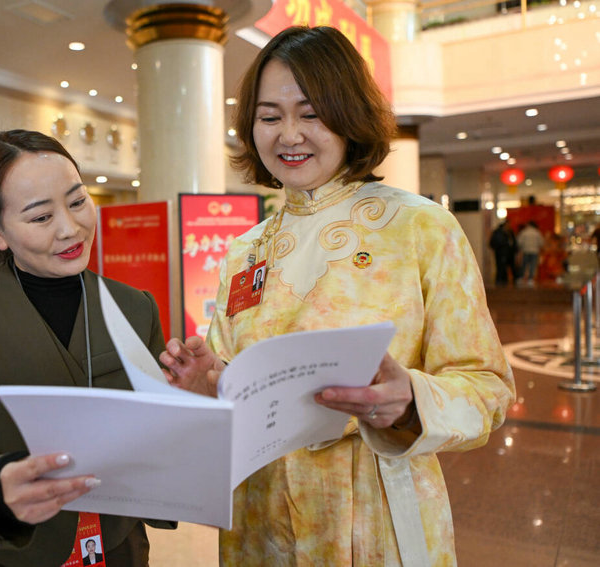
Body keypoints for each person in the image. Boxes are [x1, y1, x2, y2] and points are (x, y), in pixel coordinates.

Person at [159, 26, 515, 565]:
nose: (289, 135)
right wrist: (209, 383)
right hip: (259, 517)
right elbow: (240, 382)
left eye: (311, 114)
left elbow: (487, 386)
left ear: (349, 116)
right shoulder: (246, 250)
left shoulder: (420, 227)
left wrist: (409, 401)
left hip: (377, 512)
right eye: (270, 117)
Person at [0, 129, 172, 566]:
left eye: (77, 201)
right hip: (1, 555)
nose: (70, 228)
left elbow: (159, 430)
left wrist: (193, 397)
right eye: (41, 217)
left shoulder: (134, 306)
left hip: (116, 547)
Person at [488, 220, 517, 286]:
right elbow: (494, 243)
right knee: (501, 267)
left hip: (509, 253)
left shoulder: (510, 232)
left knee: (509, 267)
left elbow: (513, 242)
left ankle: (505, 280)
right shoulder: (498, 232)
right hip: (501, 253)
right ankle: (500, 281)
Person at [517, 220, 545, 286]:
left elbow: (519, 242)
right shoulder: (537, 233)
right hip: (535, 251)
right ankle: (530, 279)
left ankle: (521, 278)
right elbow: (541, 243)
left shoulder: (524, 232)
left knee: (524, 265)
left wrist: (521, 248)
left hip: (525, 251)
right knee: (533, 265)